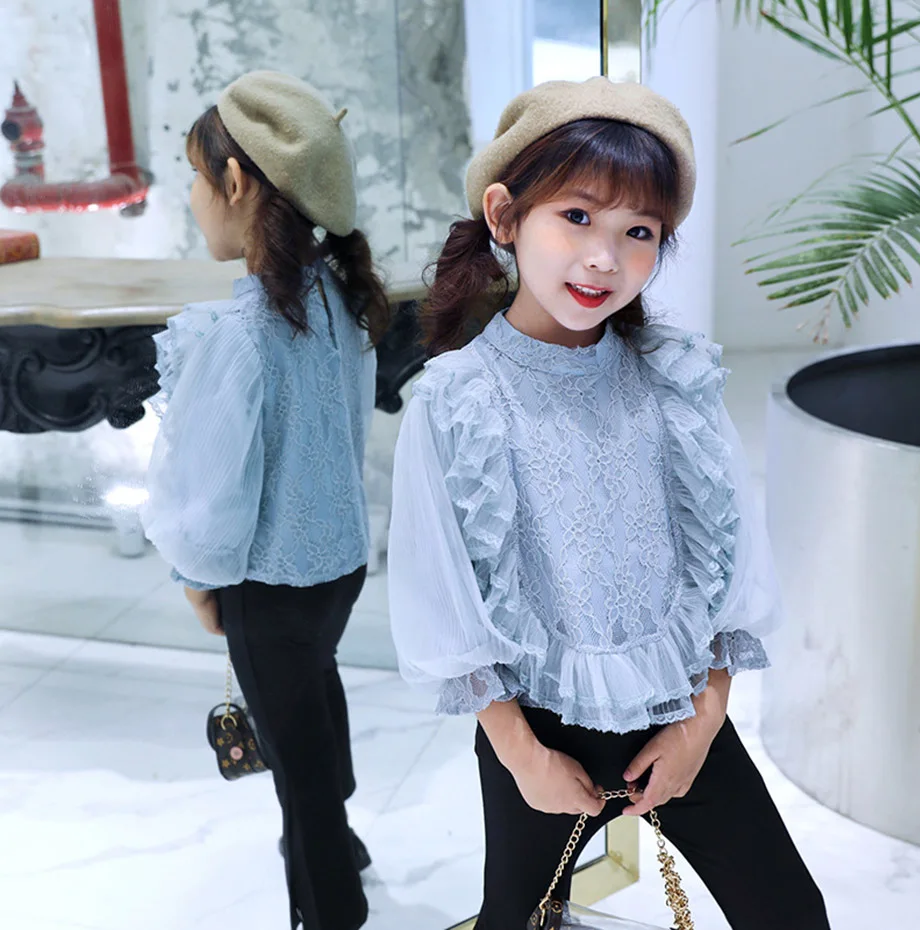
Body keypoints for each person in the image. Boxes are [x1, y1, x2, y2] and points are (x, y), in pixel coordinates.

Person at [387, 77, 831, 930]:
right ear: (505, 215)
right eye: (577, 216)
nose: (604, 258)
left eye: (639, 232)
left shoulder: (673, 377)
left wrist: (701, 727)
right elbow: (441, 597)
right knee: (518, 918)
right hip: (535, 731)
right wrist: (523, 757)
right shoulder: (457, 400)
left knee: (790, 911)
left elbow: (730, 566)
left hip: (681, 716)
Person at [141, 70, 391, 930]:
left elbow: (216, 491)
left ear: (236, 181)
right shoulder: (337, 298)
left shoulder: (245, 334)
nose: (192, 196)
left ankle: (330, 907)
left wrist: (197, 580)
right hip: (338, 567)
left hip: (269, 585)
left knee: (295, 761)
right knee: (316, 693)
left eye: (195, 175)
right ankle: (346, 840)